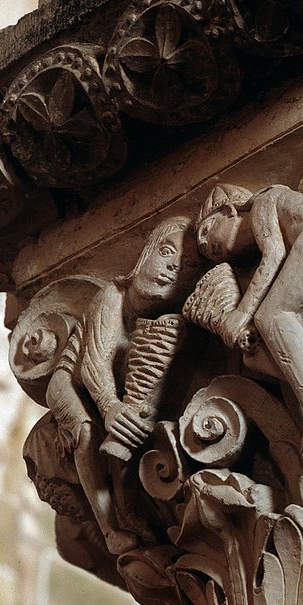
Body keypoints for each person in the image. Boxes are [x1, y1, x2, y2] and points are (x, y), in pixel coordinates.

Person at [45, 215, 201, 552]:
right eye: (166, 252)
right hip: (70, 382)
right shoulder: (112, 296)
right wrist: (109, 405)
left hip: (113, 395)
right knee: (87, 432)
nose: (172, 267)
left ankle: (129, 510)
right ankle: (110, 529)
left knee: (132, 429)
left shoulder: (168, 321)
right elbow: (93, 364)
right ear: (144, 254)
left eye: (186, 264)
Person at [195, 183, 303, 461]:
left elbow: (274, 256)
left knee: (270, 317)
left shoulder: (263, 202)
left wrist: (240, 314)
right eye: (204, 250)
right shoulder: (248, 251)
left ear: (230, 211)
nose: (207, 246)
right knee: (253, 358)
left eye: (206, 231)